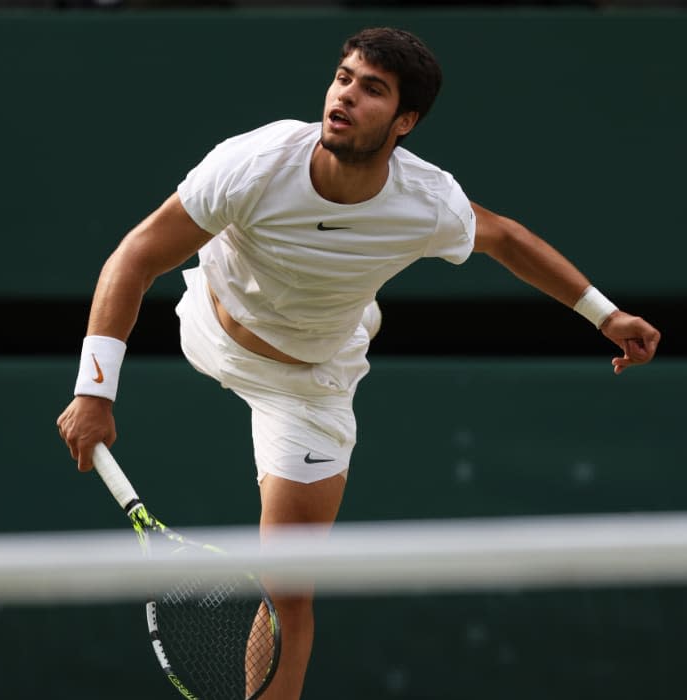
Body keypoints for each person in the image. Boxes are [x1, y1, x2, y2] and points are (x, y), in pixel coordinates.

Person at [57, 26, 660, 699]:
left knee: (288, 588)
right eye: (343, 77)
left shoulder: (426, 201)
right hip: (210, 325)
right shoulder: (253, 162)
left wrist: (606, 315)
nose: (345, 95)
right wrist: (94, 391)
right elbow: (134, 257)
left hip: (310, 386)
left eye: (371, 89)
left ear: (405, 122)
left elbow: (508, 239)